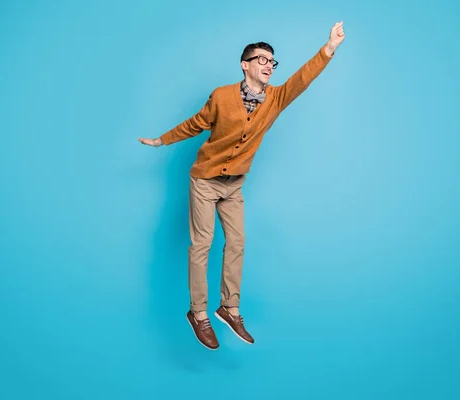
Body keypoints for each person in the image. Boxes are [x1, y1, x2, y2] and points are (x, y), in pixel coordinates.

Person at [138, 21, 345, 350]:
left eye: (272, 61)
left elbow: (303, 78)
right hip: (205, 180)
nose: (268, 65)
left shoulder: (275, 99)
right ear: (245, 64)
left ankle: (229, 308)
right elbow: (196, 123)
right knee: (201, 246)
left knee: (237, 243)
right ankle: (198, 313)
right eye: (261, 59)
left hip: (233, 185)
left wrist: (329, 47)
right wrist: (162, 140)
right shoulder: (221, 96)